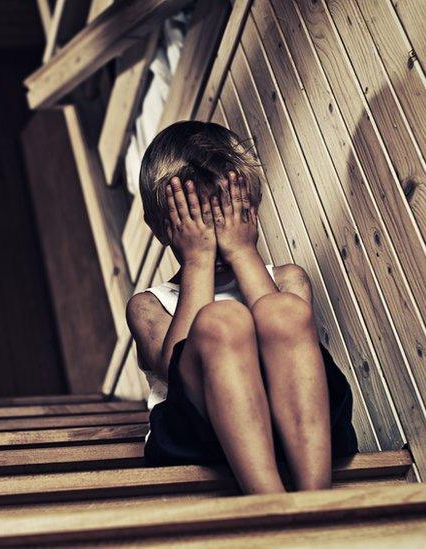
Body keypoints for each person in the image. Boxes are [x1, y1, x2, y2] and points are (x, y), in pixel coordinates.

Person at [125, 121, 358, 494]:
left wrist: (243, 251)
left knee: (283, 311)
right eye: (197, 225)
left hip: (299, 428)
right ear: (162, 228)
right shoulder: (148, 305)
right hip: (200, 438)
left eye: (227, 220)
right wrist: (198, 260)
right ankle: (272, 507)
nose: (215, 239)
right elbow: (172, 368)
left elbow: (296, 350)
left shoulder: (287, 280)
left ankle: (316, 502)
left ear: (250, 213)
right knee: (222, 320)